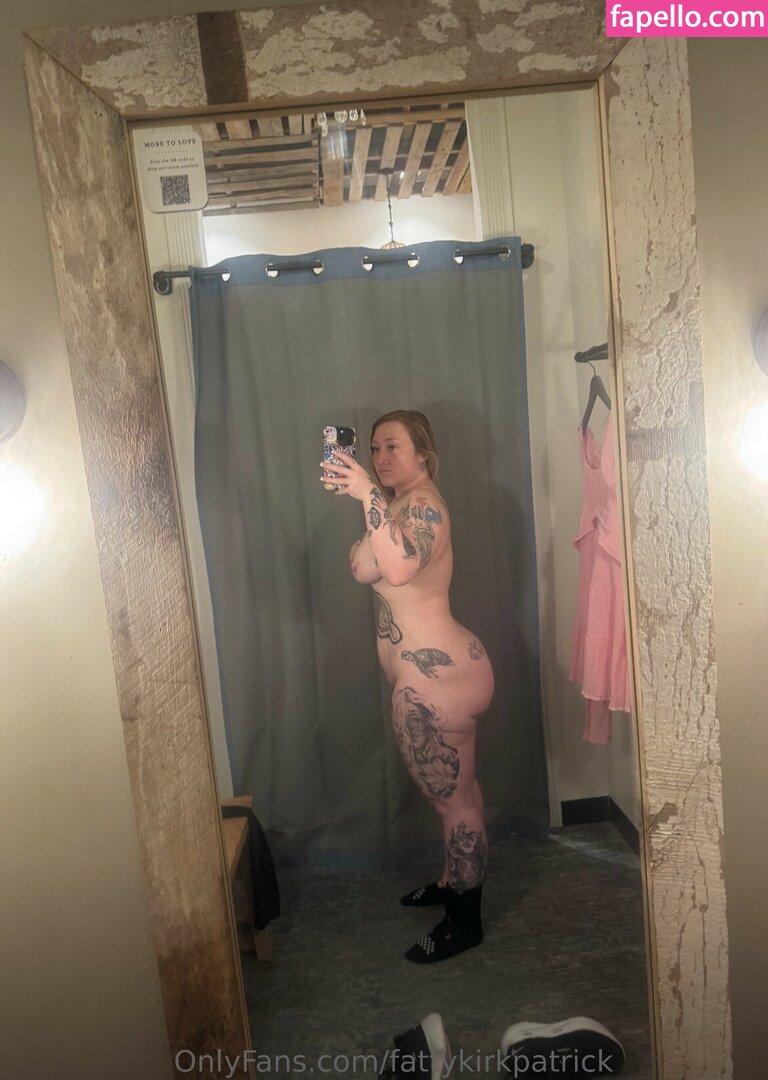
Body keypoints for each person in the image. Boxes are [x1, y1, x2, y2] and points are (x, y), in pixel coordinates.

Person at [320, 410, 494, 963]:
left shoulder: (423, 506)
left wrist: (367, 493)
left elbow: (395, 570)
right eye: (374, 448)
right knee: (462, 798)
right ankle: (451, 882)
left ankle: (465, 923)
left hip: (439, 682)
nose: (380, 458)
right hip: (429, 679)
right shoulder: (396, 507)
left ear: (423, 455)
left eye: (393, 447)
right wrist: (371, 500)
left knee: (455, 807)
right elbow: (364, 565)